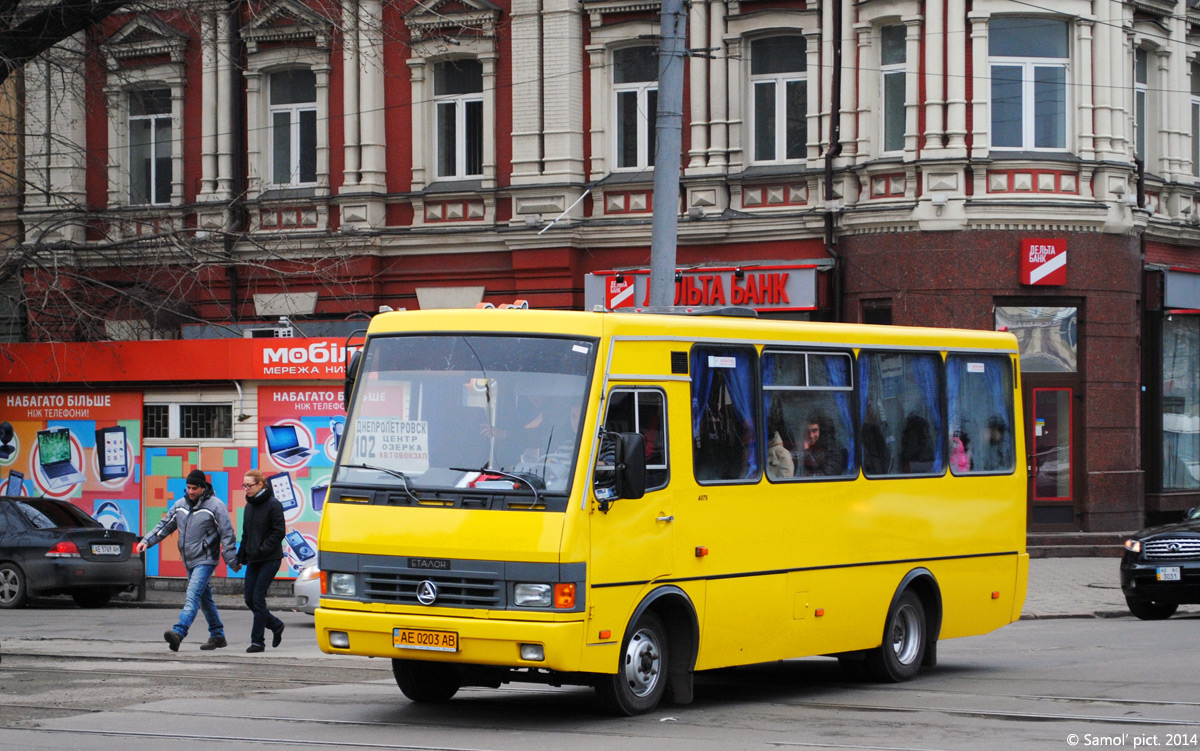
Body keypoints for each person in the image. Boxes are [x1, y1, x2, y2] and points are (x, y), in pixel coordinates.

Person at [136, 469, 240, 652]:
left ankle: (179, 632)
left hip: (206, 560)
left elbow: (227, 533)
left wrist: (231, 560)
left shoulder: (215, 506)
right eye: (188, 488)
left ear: (203, 487)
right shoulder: (180, 505)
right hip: (189, 559)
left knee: (192, 597)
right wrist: (146, 541)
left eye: (194, 488)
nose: (190, 491)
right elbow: (165, 526)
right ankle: (217, 635)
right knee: (204, 599)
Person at [237, 469, 287, 653]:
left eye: (249, 485)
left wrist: (262, 549)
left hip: (270, 558)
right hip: (253, 559)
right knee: (249, 599)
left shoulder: (274, 504)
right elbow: (246, 534)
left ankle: (257, 641)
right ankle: (275, 625)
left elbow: (278, 531)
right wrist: (240, 557)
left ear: (260, 485)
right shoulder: (249, 506)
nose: (246, 489)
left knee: (258, 598)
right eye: (244, 485)